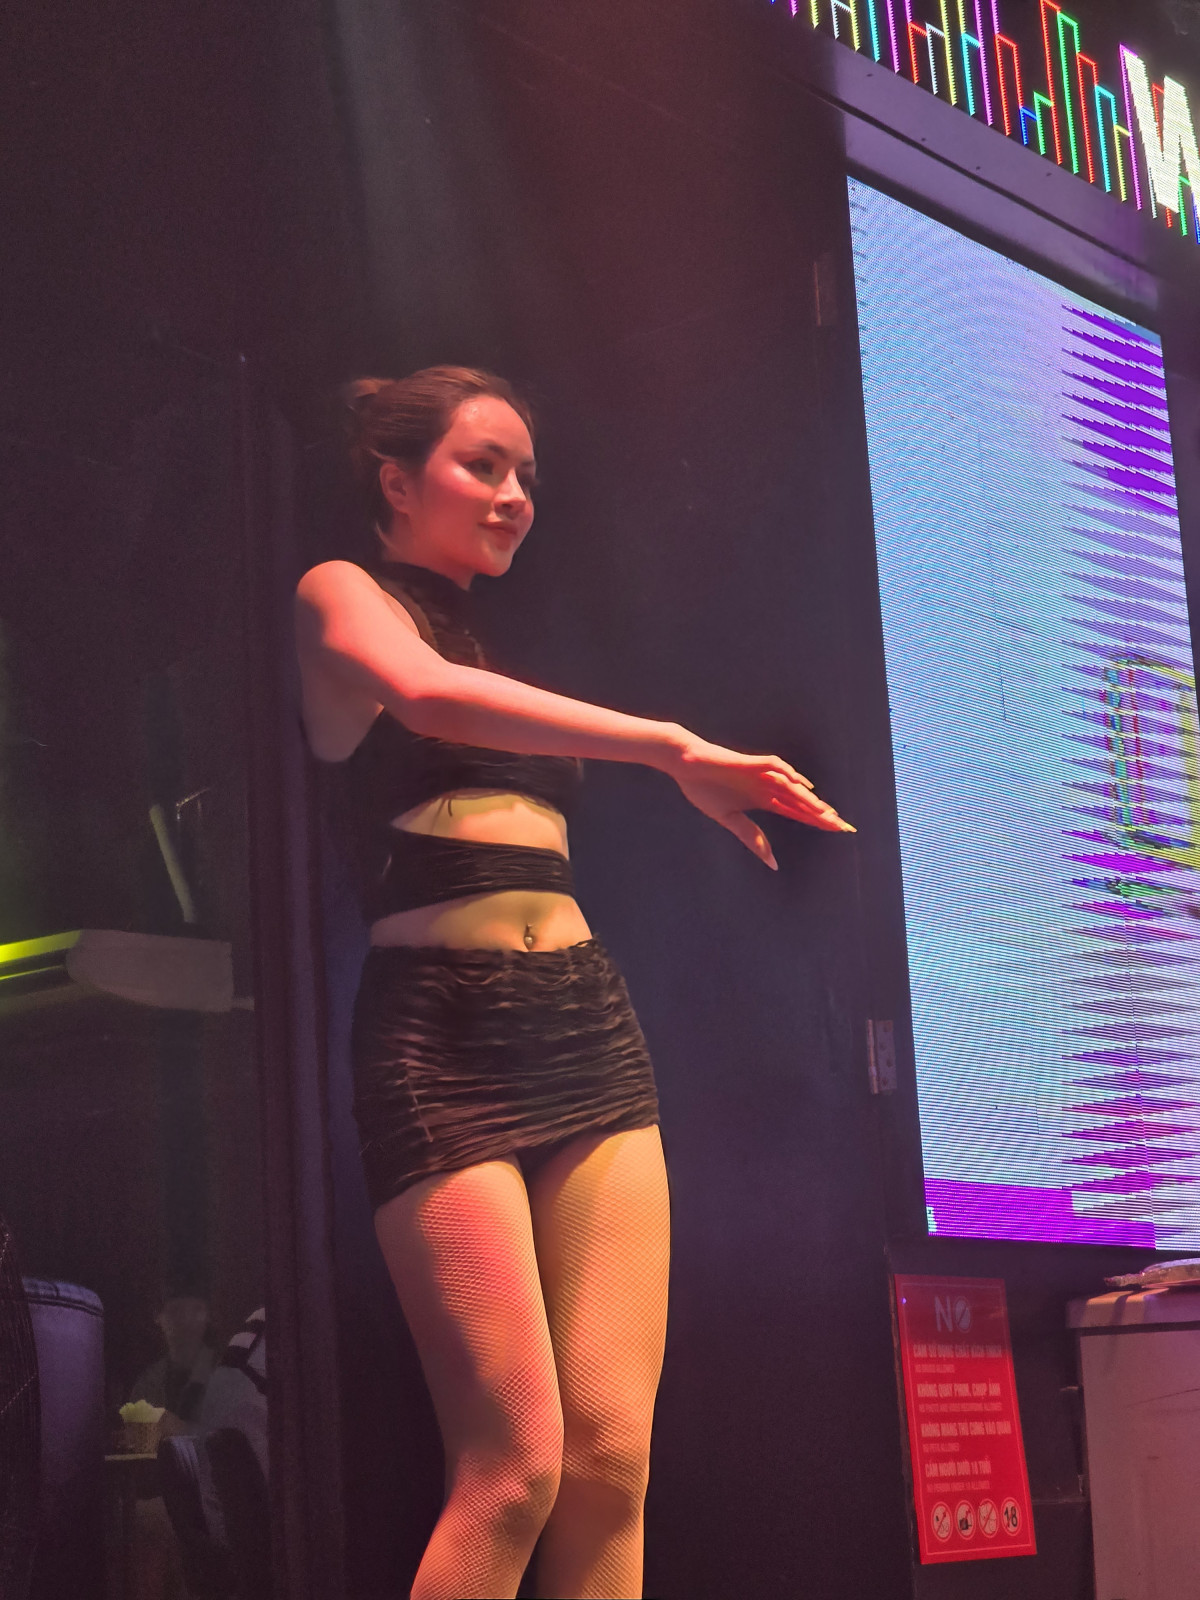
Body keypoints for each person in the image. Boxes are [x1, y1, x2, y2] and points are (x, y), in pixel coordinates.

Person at [294, 367, 853, 1600]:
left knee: (611, 1460)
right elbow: (427, 696)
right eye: (483, 465)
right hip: (440, 1037)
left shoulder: (501, 648)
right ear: (397, 481)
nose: (514, 496)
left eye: (526, 476)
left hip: (584, 1025)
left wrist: (670, 761)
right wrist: (672, 747)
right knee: (514, 1468)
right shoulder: (338, 595)